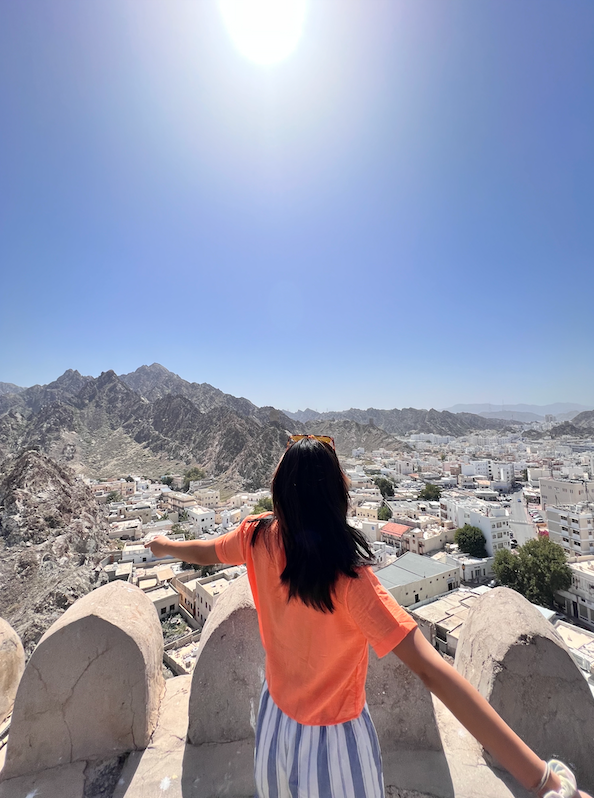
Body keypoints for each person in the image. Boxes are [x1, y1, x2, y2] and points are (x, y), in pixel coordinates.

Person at [145, 435, 590, 798]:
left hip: (274, 724)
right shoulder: (350, 582)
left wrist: (164, 546)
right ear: (335, 495)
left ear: (282, 490)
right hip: (335, 748)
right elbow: (434, 672)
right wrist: (541, 780)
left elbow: (205, 550)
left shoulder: (256, 537)